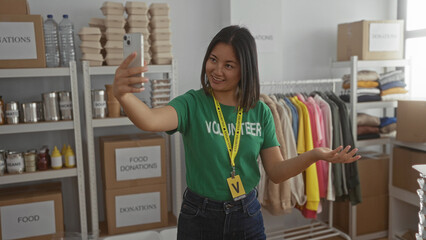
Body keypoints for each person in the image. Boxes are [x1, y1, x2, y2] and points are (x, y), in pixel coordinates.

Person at [113, 25, 361, 240]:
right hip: (199, 214)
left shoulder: (260, 111)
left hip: (246, 214)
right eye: (213, 59)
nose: (217, 70)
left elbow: (275, 172)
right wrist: (122, 94)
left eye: (229, 65)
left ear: (245, 69)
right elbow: (149, 120)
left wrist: (315, 154)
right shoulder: (192, 104)